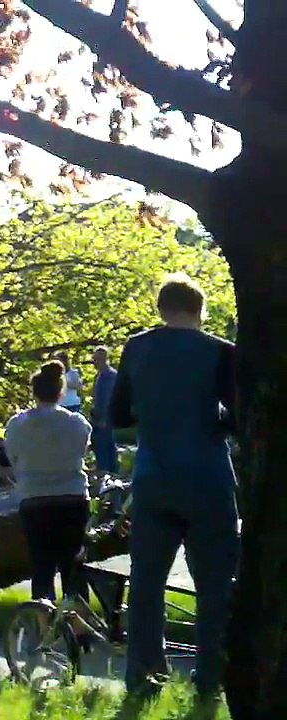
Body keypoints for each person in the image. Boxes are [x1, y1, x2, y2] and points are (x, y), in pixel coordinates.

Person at [110, 273, 238, 700]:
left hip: (153, 476)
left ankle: (144, 676)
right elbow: (238, 416)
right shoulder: (220, 352)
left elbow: (118, 416)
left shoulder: (136, 348)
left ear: (161, 310)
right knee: (215, 586)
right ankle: (209, 679)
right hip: (207, 477)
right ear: (200, 312)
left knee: (146, 582)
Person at [3, 360, 93, 605]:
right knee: (73, 567)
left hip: (35, 499)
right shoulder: (77, 424)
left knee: (41, 567)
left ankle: (43, 625)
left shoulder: (17, 425)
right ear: (61, 391)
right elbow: (82, 453)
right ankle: (79, 628)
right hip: (72, 496)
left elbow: (13, 458)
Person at [90, 346, 119, 474]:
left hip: (106, 422)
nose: (94, 362)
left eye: (96, 359)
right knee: (103, 451)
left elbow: (109, 400)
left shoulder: (110, 376)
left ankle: (109, 481)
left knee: (106, 453)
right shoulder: (100, 376)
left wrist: (103, 419)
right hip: (99, 420)